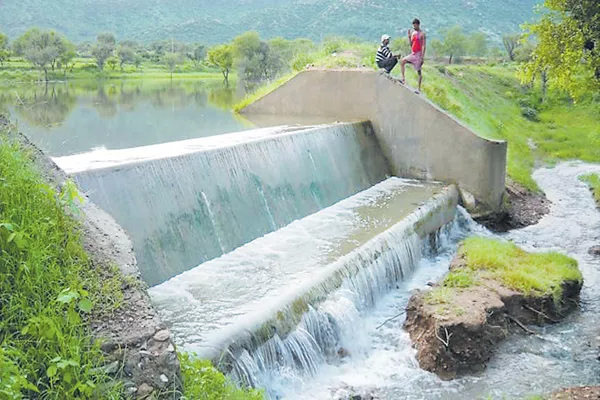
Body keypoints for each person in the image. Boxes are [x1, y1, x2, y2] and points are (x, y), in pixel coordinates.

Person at [401, 18, 426, 93]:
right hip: (413, 53)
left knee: (419, 71)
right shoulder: (413, 34)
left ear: (418, 25)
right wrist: (409, 37)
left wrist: (422, 57)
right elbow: (411, 44)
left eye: (415, 25)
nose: (414, 27)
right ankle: (403, 79)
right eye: (413, 25)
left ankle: (418, 88)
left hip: (418, 54)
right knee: (402, 61)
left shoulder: (422, 34)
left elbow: (424, 46)